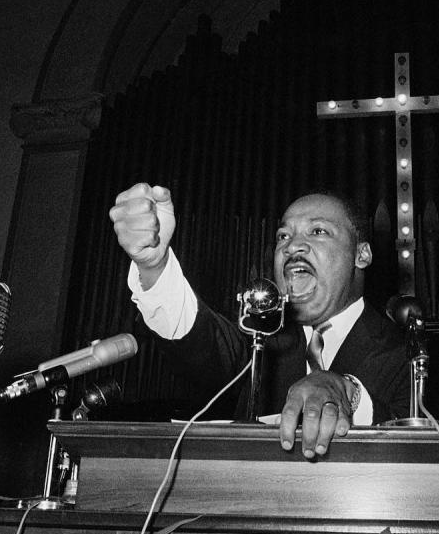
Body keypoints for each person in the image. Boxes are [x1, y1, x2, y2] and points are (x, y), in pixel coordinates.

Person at [110, 182, 410, 458]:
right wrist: (154, 265)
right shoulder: (258, 341)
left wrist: (348, 391)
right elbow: (204, 342)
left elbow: (422, 445)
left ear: (362, 254)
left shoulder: (410, 351)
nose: (292, 247)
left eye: (318, 231)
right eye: (283, 236)